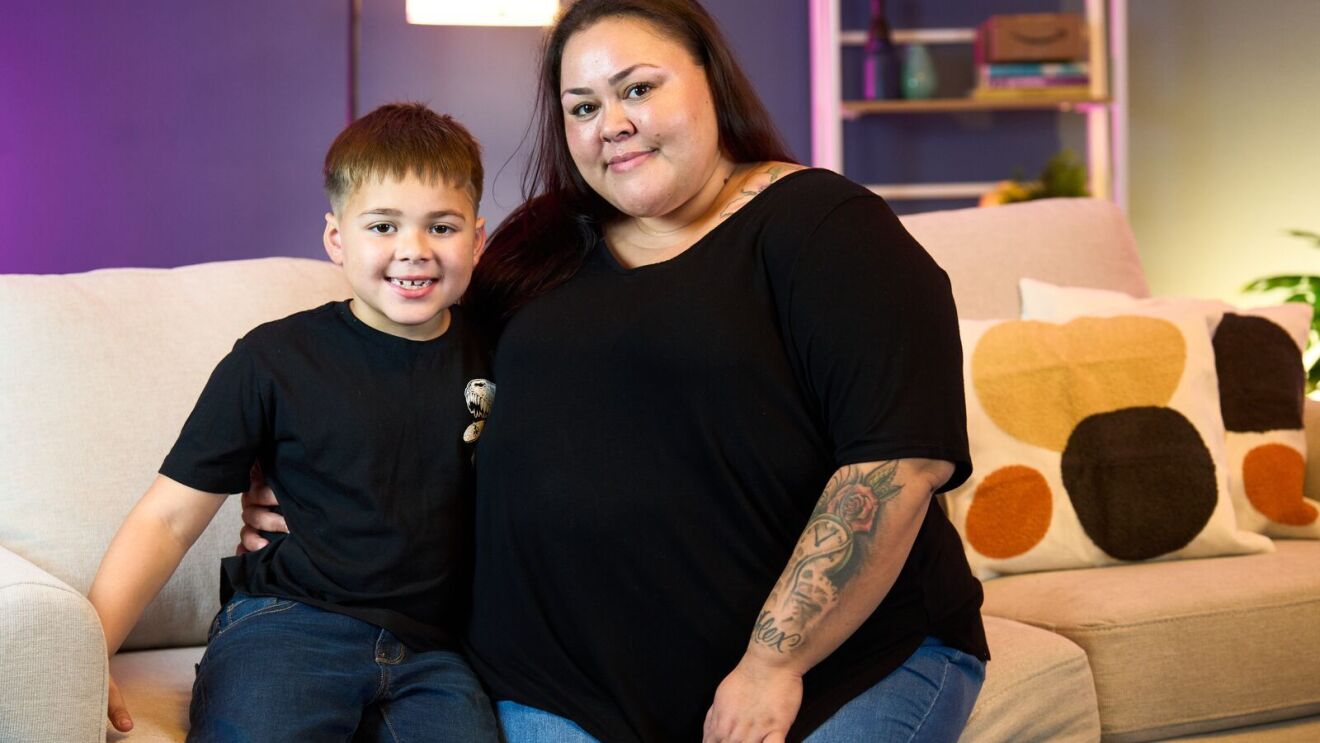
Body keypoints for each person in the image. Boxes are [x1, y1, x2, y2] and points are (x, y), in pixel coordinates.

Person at [240, 1, 989, 741]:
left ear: (711, 79)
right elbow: (422, 370)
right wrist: (314, 479)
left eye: (638, 88)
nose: (613, 123)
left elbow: (897, 459)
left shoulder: (825, 225)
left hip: (835, 667)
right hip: (555, 683)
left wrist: (772, 663)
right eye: (583, 105)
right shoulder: (540, 243)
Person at [87, 103, 499, 742]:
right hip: (288, 623)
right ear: (336, 239)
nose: (413, 250)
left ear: (477, 239)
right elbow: (167, 519)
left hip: (435, 654)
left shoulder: (499, 357)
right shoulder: (274, 358)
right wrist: (92, 647)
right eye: (383, 225)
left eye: (440, 227)